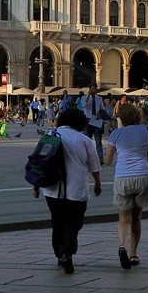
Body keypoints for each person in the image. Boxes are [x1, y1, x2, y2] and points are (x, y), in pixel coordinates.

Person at [38, 106, 103, 274]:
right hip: (76, 189)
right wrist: (97, 183)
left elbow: (39, 162)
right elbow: (94, 166)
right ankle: (67, 251)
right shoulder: (84, 140)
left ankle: (60, 254)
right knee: (74, 223)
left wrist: (36, 185)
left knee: (57, 220)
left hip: (52, 189)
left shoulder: (50, 136)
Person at [104, 101, 148, 269]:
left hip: (122, 177)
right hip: (143, 176)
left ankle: (122, 246)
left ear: (121, 117)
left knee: (123, 218)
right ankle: (134, 254)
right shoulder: (147, 131)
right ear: (137, 115)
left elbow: (107, 161)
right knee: (137, 217)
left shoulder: (116, 134)